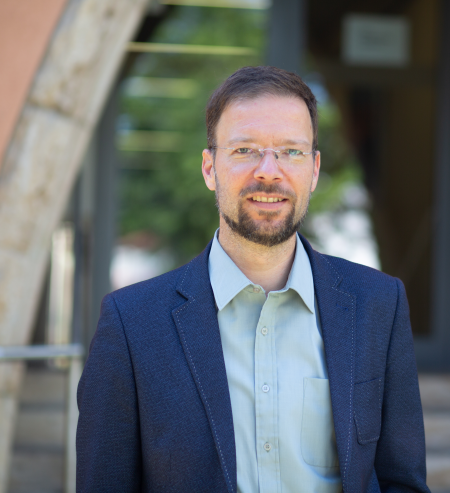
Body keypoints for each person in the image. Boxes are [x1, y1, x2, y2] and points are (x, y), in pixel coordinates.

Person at [76, 66, 429, 493]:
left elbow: (402, 481)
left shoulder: (378, 305)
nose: (269, 171)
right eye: (245, 150)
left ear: (314, 170)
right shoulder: (132, 325)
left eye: (291, 152)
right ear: (210, 168)